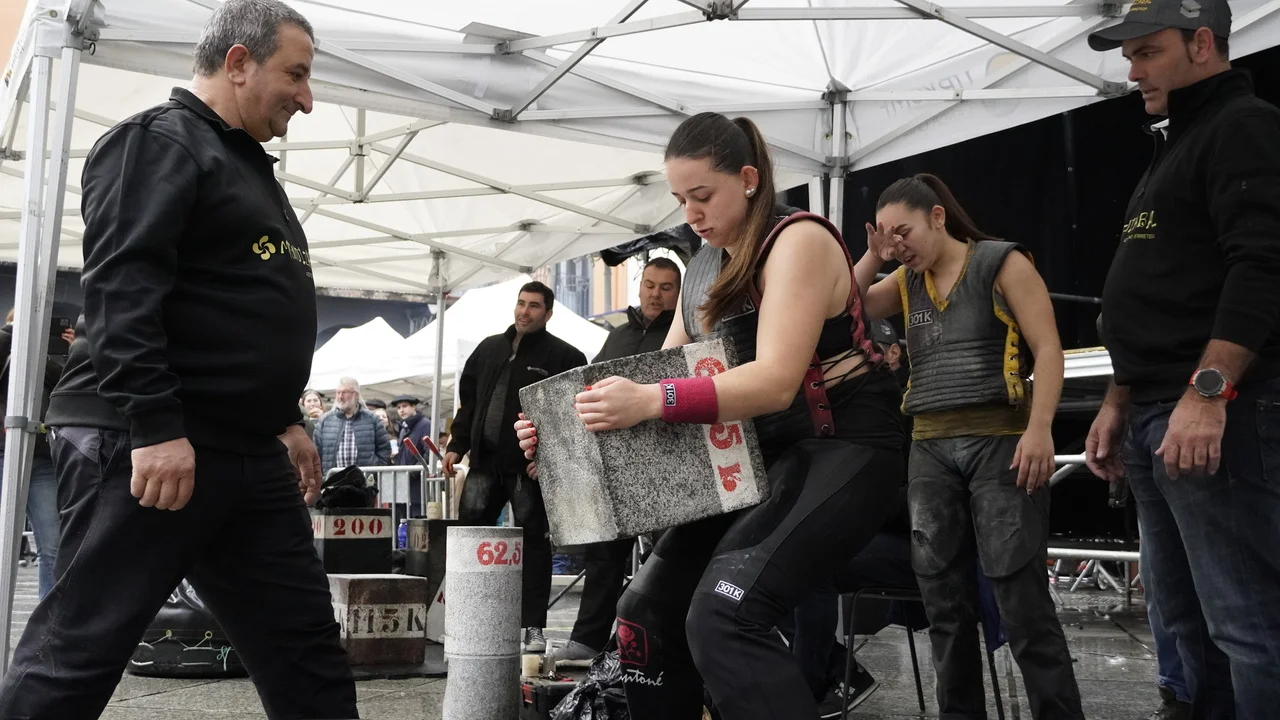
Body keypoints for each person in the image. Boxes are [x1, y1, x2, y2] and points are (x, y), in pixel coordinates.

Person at [0, 1, 359, 717]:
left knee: (306, 649)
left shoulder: (245, 164)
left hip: (244, 449)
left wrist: (285, 419)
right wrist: (157, 426)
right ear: (238, 62)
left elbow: (231, 306)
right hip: (156, 439)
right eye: (296, 75)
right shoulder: (159, 141)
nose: (307, 99)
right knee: (79, 652)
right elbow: (122, 292)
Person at [518, 112, 906, 719]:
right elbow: (662, 372)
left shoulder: (798, 240)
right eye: (681, 200)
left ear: (749, 179)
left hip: (846, 445)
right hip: (763, 459)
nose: (691, 213)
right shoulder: (703, 263)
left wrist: (650, 400)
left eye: (702, 195)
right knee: (643, 613)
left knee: (724, 614)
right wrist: (564, 434)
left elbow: (774, 381)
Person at [1084, 2, 1280, 717]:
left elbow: (1263, 266)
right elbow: (1158, 293)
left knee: (1247, 622)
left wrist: (1208, 394)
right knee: (1182, 618)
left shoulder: (1243, 125)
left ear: (1202, 43)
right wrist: (1118, 398)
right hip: (1156, 410)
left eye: (1148, 53)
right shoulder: (1178, 140)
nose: (1132, 71)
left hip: (1213, 414)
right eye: (1129, 56)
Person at [854, 173, 1083, 719]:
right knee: (943, 603)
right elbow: (844, 306)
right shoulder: (906, 280)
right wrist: (872, 256)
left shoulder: (1003, 263)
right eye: (886, 235)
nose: (897, 245)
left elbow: (1049, 349)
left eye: (903, 232)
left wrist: (1040, 428)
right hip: (930, 447)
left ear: (937, 217)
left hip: (1000, 441)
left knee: (1021, 599)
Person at [444, 281, 588, 653]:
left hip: (528, 469)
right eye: (521, 303)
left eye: (534, 305)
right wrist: (457, 445)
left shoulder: (566, 356)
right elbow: (468, 403)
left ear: (549, 313)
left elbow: (573, 419)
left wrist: (551, 460)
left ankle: (532, 628)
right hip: (484, 463)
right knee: (470, 540)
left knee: (535, 546)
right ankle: (466, 619)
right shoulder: (489, 348)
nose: (525, 311)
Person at [554, 257, 682, 668]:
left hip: (665, 463)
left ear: (678, 293)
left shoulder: (683, 335)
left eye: (666, 287)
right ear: (640, 287)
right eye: (650, 285)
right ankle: (587, 641)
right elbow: (588, 390)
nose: (656, 294)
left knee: (670, 556)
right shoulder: (618, 336)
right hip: (615, 464)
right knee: (604, 555)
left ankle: (666, 645)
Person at [0, 309, 72, 600]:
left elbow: (68, 388)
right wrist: (12, 333)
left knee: (53, 545)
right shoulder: (6, 348)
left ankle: (49, 619)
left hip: (41, 456)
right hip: (4, 451)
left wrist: (75, 352)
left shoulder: (45, 360)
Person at [313, 376, 391, 475]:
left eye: (345, 392)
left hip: (364, 480)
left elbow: (384, 448)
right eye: (338, 393)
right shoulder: (325, 420)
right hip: (333, 480)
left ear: (356, 395)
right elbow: (316, 451)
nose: (340, 397)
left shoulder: (372, 419)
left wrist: (374, 471)